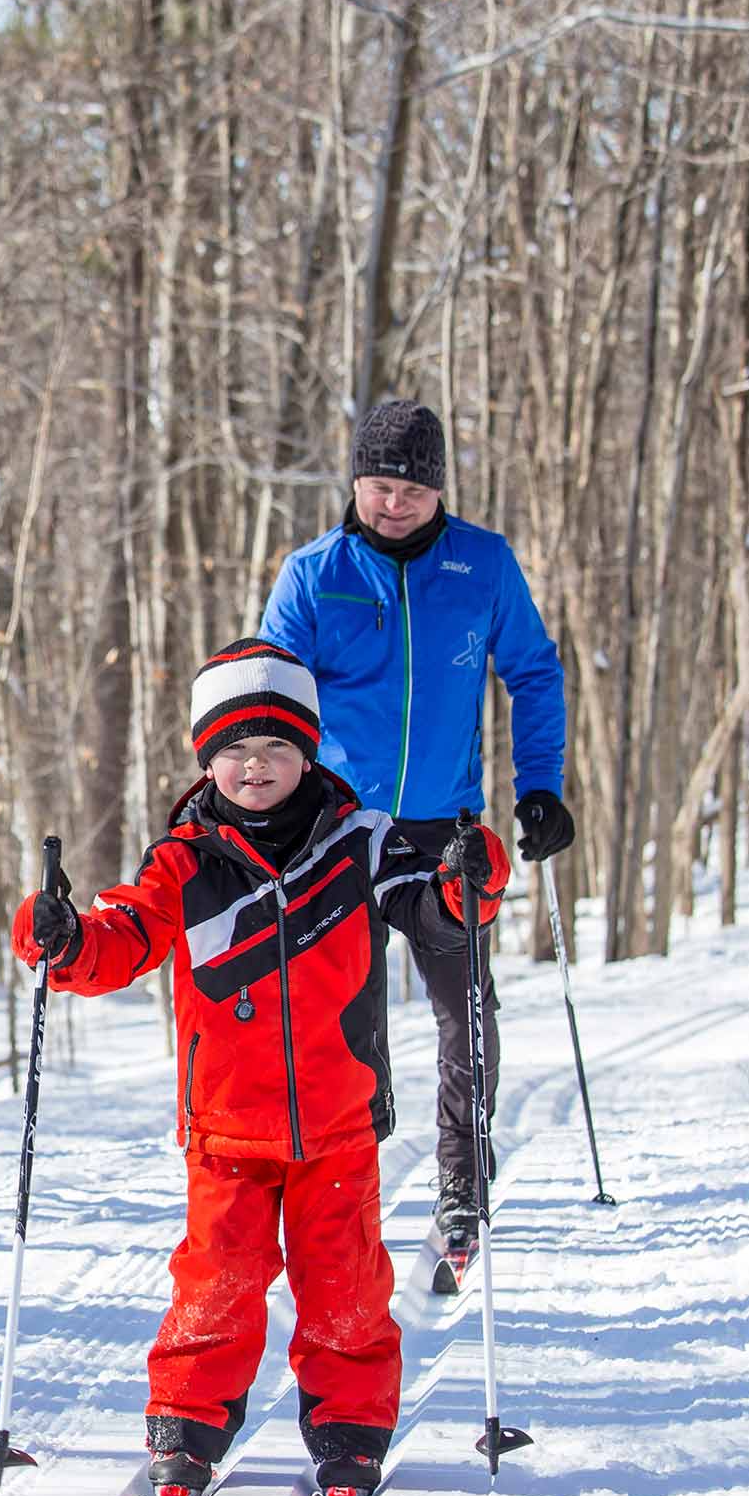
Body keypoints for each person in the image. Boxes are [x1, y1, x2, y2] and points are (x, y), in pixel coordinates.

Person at [13, 639, 507, 1496]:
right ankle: (187, 1428)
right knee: (217, 1285)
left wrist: (471, 883)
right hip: (225, 1128)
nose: (255, 766)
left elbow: (431, 910)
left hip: (338, 1122)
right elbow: (119, 938)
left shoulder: (358, 839)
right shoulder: (184, 859)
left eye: (276, 747)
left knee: (345, 1287)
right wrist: (57, 936)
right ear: (208, 760)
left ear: (306, 751)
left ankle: (351, 1432)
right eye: (236, 750)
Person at [256, 398, 569, 1263]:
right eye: (378, 486)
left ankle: (463, 1179)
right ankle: (353, 1155)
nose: (392, 504)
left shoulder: (484, 565)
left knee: (465, 1005)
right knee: (338, 1013)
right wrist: (264, 804)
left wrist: (539, 787)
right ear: (355, 482)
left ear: (439, 492)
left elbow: (535, 673)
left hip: (446, 830)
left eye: (410, 491)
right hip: (335, 827)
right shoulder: (314, 575)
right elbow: (267, 698)